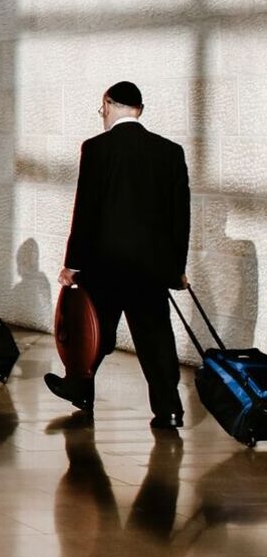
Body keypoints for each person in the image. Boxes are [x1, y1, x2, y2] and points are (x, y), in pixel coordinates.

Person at [47, 81, 191, 429]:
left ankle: (80, 389)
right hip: (149, 268)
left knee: (93, 332)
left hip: (105, 264)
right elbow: (180, 216)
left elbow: (86, 210)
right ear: (138, 110)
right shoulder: (169, 151)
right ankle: (169, 409)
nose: (103, 115)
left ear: (109, 104)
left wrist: (72, 263)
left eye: (103, 108)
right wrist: (176, 268)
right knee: (156, 338)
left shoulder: (97, 149)